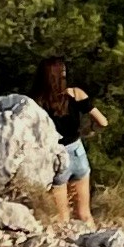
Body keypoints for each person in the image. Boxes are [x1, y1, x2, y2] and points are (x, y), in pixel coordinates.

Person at [34, 56, 106, 225]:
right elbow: (103, 121)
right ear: (63, 74)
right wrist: (90, 131)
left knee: (63, 217)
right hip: (77, 152)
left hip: (56, 158)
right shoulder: (76, 94)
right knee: (85, 214)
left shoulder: (36, 102)